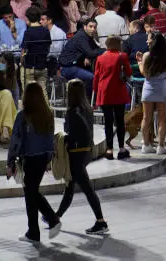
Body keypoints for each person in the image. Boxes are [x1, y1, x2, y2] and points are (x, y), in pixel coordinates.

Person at [8, 82, 62, 245]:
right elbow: (50, 139)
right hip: (42, 159)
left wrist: (10, 162)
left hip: (29, 159)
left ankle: (51, 220)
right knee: (31, 193)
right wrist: (48, 158)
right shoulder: (47, 114)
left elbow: (15, 141)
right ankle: (34, 231)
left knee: (31, 193)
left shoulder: (23, 116)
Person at [55, 79, 109, 235]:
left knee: (85, 189)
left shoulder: (74, 112)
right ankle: (56, 217)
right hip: (86, 152)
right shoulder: (87, 108)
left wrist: (64, 138)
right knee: (70, 186)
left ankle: (101, 221)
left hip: (77, 154)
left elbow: (78, 133)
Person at [93, 35, 131, 160]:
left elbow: (97, 76)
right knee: (120, 121)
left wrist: (95, 92)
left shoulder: (100, 58)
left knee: (108, 121)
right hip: (118, 92)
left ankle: (109, 150)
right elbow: (128, 72)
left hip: (104, 92)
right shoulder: (122, 56)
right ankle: (121, 148)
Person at [138, 32, 166, 154]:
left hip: (148, 89)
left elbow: (144, 72)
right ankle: (161, 146)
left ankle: (145, 144)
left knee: (146, 118)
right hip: (161, 89)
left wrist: (139, 63)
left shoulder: (147, 55)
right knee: (162, 119)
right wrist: (162, 75)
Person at [57, 18, 102, 97]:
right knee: (92, 77)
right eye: (90, 27)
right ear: (85, 27)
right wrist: (105, 50)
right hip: (68, 67)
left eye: (94, 27)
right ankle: (87, 100)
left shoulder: (87, 36)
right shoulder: (81, 37)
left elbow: (95, 49)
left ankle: (89, 99)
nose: (93, 29)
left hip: (74, 65)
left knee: (95, 74)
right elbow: (90, 53)